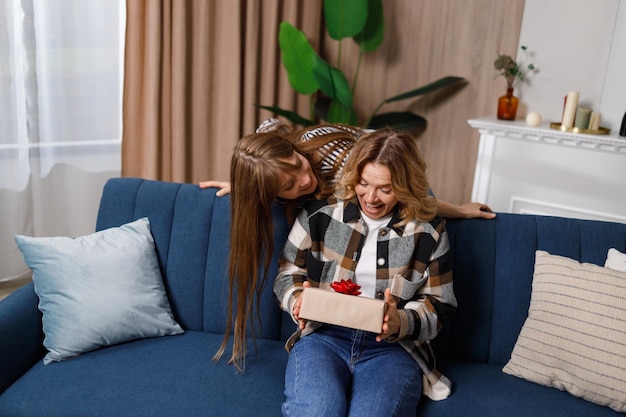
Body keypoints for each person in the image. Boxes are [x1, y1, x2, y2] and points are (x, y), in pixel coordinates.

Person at [207, 119, 490, 370]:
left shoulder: (345, 165)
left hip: (384, 156)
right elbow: (263, 134)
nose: (304, 180)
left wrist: (460, 211)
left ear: (289, 147)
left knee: (396, 200)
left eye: (297, 166)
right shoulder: (320, 209)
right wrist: (246, 183)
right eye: (288, 185)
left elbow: (401, 192)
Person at [273, 128, 457, 416]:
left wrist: (401, 321)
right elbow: (288, 271)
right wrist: (296, 300)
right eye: (363, 183)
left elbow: (440, 305)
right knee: (318, 411)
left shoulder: (429, 231)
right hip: (323, 338)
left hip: (393, 349)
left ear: (406, 185)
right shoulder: (320, 213)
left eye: (386, 189)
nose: (370, 198)